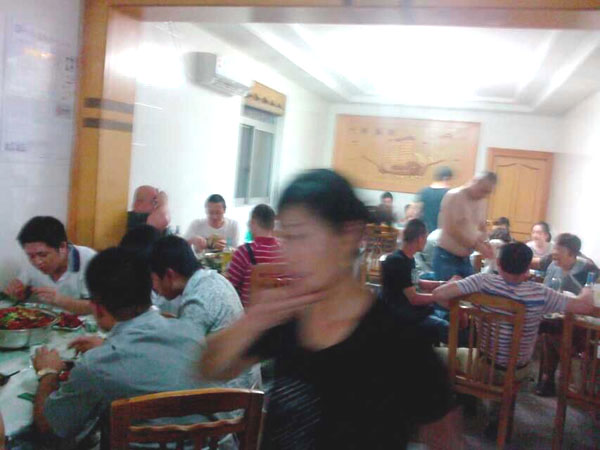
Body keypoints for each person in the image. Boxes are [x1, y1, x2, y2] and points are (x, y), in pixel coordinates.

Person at [200, 169, 452, 450]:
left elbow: (444, 434)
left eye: (299, 236)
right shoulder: (288, 318)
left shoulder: (397, 338)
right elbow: (209, 367)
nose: (287, 253)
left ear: (349, 235)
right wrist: (253, 320)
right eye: (285, 237)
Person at [32, 248, 238, 449]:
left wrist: (48, 372)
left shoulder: (96, 366)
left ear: (97, 307)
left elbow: (49, 428)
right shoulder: (191, 332)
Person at [432, 242, 595, 435]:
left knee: (436, 354)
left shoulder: (482, 281)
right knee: (503, 366)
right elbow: (584, 306)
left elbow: (438, 295)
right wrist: (588, 288)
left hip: (483, 364)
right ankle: (497, 416)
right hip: (519, 370)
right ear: (527, 269)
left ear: (499, 264)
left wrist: (460, 308)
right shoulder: (540, 293)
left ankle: (459, 406)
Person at [150, 235, 260, 389]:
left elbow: (185, 358)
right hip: (246, 383)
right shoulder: (213, 279)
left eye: (154, 279)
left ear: (169, 275)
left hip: (232, 394)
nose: (154, 288)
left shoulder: (197, 299)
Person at [2, 217, 96, 314]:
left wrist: (60, 300)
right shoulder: (32, 261)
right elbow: (25, 292)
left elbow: (96, 307)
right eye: (30, 256)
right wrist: (19, 294)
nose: (37, 262)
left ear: (62, 247)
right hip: (45, 319)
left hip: (80, 321)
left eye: (43, 255)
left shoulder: (90, 260)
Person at [381, 219, 448, 345]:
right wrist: (438, 297)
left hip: (409, 310)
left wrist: (442, 284)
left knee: (446, 315)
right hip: (400, 314)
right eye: (425, 238)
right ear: (420, 238)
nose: (426, 241)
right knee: (445, 326)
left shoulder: (408, 258)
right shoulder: (397, 261)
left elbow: (416, 282)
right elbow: (414, 298)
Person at [433, 172, 497, 280]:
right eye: (483, 190)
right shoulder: (454, 196)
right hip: (447, 257)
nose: (484, 195)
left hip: (465, 258)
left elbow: (481, 226)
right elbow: (451, 229)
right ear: (475, 182)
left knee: (471, 289)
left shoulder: (482, 201)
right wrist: (477, 246)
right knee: (447, 290)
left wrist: (486, 243)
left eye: (488, 192)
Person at [225, 204, 283, 307]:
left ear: (253, 223)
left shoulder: (244, 252)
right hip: (281, 312)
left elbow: (229, 287)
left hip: (251, 312)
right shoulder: (286, 252)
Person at [416, 166, 453, 234]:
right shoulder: (449, 194)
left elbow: (417, 213)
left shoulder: (424, 191)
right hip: (441, 234)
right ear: (445, 178)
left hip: (425, 232)